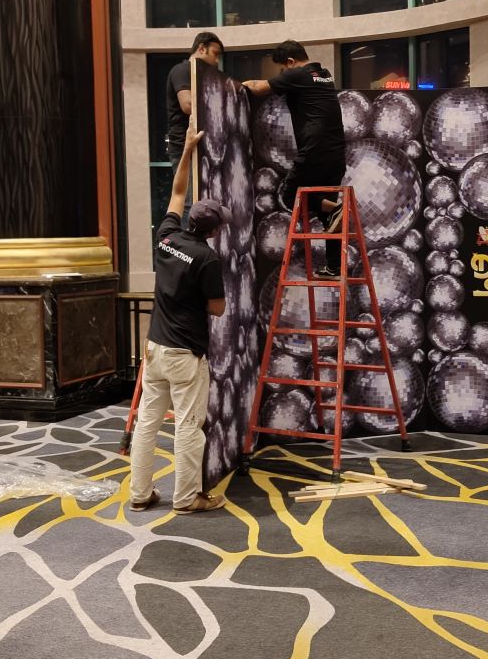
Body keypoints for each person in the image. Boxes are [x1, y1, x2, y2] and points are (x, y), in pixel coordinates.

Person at [128, 122, 229, 515]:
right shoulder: (207, 258)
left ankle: (140, 493)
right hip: (186, 353)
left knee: (147, 423)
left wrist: (186, 150)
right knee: (188, 425)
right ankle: (187, 498)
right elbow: (217, 308)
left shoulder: (167, 236)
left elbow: (177, 192)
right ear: (213, 231)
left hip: (155, 348)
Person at [242, 40, 347, 278]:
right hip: (335, 153)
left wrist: (238, 86)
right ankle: (333, 266)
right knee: (328, 214)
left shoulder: (298, 74)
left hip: (314, 150)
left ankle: (335, 209)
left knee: (289, 195)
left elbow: (258, 87)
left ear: (290, 61)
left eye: (282, 69)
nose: (282, 74)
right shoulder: (324, 75)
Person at [165, 32, 224, 211]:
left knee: (202, 204)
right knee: (189, 203)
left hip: (200, 146)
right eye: (215, 54)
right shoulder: (182, 70)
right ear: (202, 48)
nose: (217, 61)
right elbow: (188, 105)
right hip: (184, 147)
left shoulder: (204, 76)